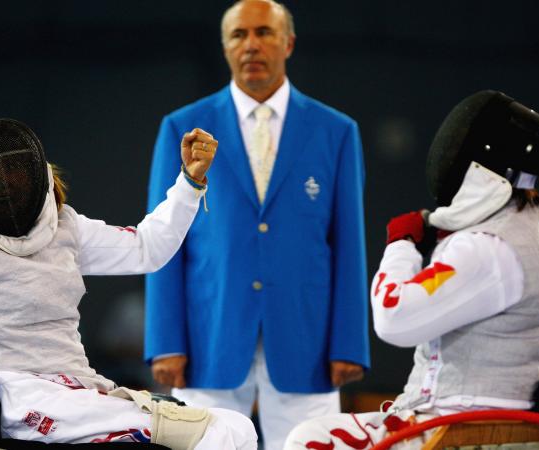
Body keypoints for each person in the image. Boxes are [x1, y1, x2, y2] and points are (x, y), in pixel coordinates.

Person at [0, 118, 258, 449]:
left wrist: (189, 183)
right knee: (213, 433)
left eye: (13, 177)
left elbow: (148, 249)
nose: (7, 191)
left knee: (236, 428)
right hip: (15, 397)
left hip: (79, 389)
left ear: (34, 175)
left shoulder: (65, 227)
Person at [283, 90, 539, 450]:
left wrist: (401, 245)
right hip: (509, 427)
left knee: (307, 440)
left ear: (476, 165)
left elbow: (393, 316)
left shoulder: (486, 247)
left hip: (457, 430)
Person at [144, 1, 370, 448]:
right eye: (238, 35)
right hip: (209, 334)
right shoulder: (183, 129)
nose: (251, 45)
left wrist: (349, 343)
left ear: (287, 43)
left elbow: (349, 244)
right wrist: (164, 340)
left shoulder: (336, 131)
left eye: (264, 32)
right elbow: (163, 242)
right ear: (225, 47)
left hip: (308, 339)